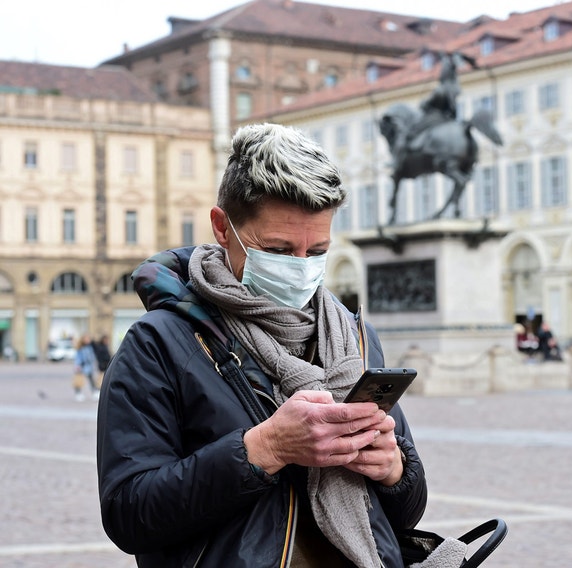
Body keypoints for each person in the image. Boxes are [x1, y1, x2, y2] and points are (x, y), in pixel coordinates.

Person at [97, 124, 450, 567]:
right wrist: (265, 449)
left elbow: (403, 513)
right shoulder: (157, 344)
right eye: (279, 250)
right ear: (223, 228)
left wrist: (394, 470)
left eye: (317, 250)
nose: (301, 268)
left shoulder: (353, 336)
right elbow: (128, 514)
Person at [73, 334, 98, 401]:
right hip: (81, 366)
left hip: (89, 366)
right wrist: (78, 365)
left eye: (88, 339)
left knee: (91, 380)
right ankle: (78, 394)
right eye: (86, 339)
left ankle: (94, 392)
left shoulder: (90, 347)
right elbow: (78, 357)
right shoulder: (80, 348)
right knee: (79, 380)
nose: (88, 340)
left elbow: (92, 356)